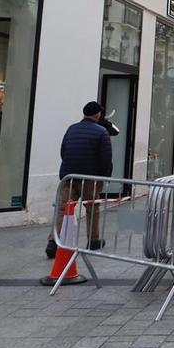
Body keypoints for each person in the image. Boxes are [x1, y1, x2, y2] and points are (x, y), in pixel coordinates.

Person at [46, 102, 112, 259]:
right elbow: (105, 158)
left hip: (69, 176)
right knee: (92, 208)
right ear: (98, 115)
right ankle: (93, 239)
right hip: (89, 178)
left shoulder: (72, 128)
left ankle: (53, 242)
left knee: (62, 208)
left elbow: (64, 150)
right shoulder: (102, 132)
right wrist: (104, 176)